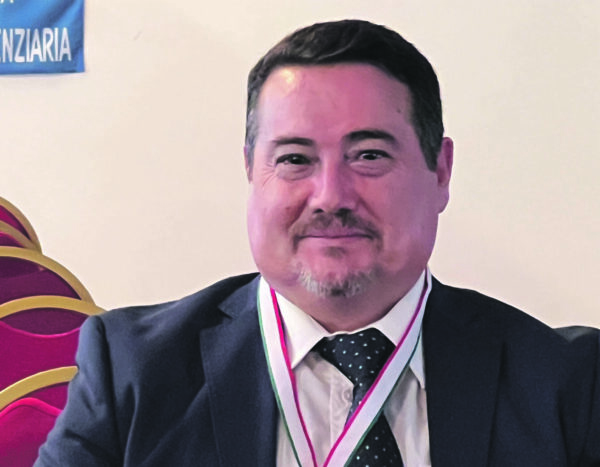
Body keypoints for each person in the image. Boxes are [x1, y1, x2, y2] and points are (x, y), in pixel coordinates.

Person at [36, 19, 599, 466]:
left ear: (441, 171)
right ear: (252, 171)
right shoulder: (134, 371)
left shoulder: (565, 382)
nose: (330, 196)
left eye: (369, 155)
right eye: (294, 159)